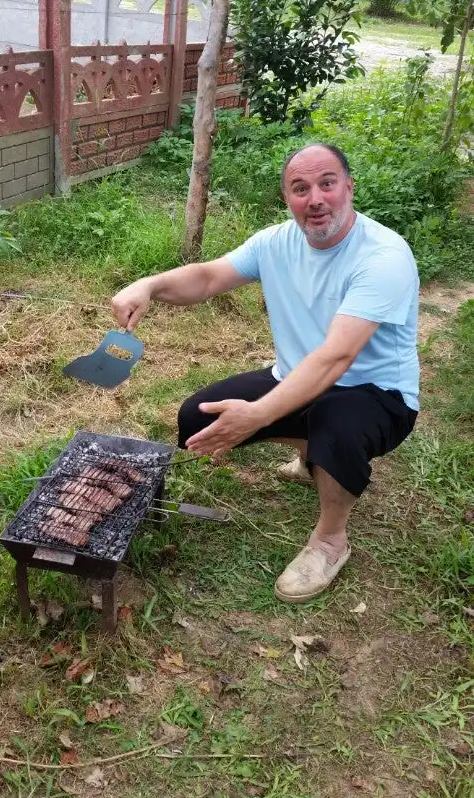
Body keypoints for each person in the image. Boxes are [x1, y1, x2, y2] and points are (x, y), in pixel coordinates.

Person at [112, 143, 419, 603]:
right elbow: (210, 277)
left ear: (348, 188)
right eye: (300, 188)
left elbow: (336, 358)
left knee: (337, 426)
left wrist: (256, 415)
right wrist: (149, 285)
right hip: (297, 377)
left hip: (376, 393)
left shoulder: (383, 257)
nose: (315, 198)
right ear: (287, 199)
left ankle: (331, 541)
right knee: (197, 415)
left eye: (326, 184)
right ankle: (310, 456)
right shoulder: (276, 242)